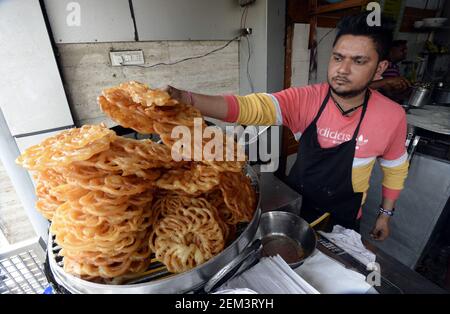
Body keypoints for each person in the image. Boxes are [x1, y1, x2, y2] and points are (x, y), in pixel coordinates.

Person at [167, 13, 409, 241]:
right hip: (295, 210)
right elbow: (250, 106)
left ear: (379, 68)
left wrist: (384, 215)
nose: (342, 70)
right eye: (337, 58)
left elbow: (395, 169)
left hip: (343, 219)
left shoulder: (392, 116)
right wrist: (186, 99)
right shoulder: (307, 100)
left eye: (358, 61)